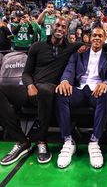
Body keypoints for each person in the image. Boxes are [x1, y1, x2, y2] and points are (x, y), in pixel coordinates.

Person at [0, 17, 82, 165]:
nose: (60, 29)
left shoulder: (71, 47)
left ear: (66, 30)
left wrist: (86, 46)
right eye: (57, 25)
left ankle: (41, 141)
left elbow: (96, 44)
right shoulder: (37, 46)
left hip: (49, 90)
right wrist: (30, 85)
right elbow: (26, 73)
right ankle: (22, 141)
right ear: (52, 26)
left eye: (64, 27)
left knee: (45, 90)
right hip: (31, 89)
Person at [55, 26, 107, 169]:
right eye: (94, 35)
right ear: (90, 38)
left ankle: (94, 141)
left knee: (106, 93)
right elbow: (69, 70)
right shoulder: (78, 55)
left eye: (100, 36)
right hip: (78, 90)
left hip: (96, 91)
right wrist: (65, 81)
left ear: (104, 39)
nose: (97, 38)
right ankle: (68, 140)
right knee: (60, 92)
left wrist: (106, 83)